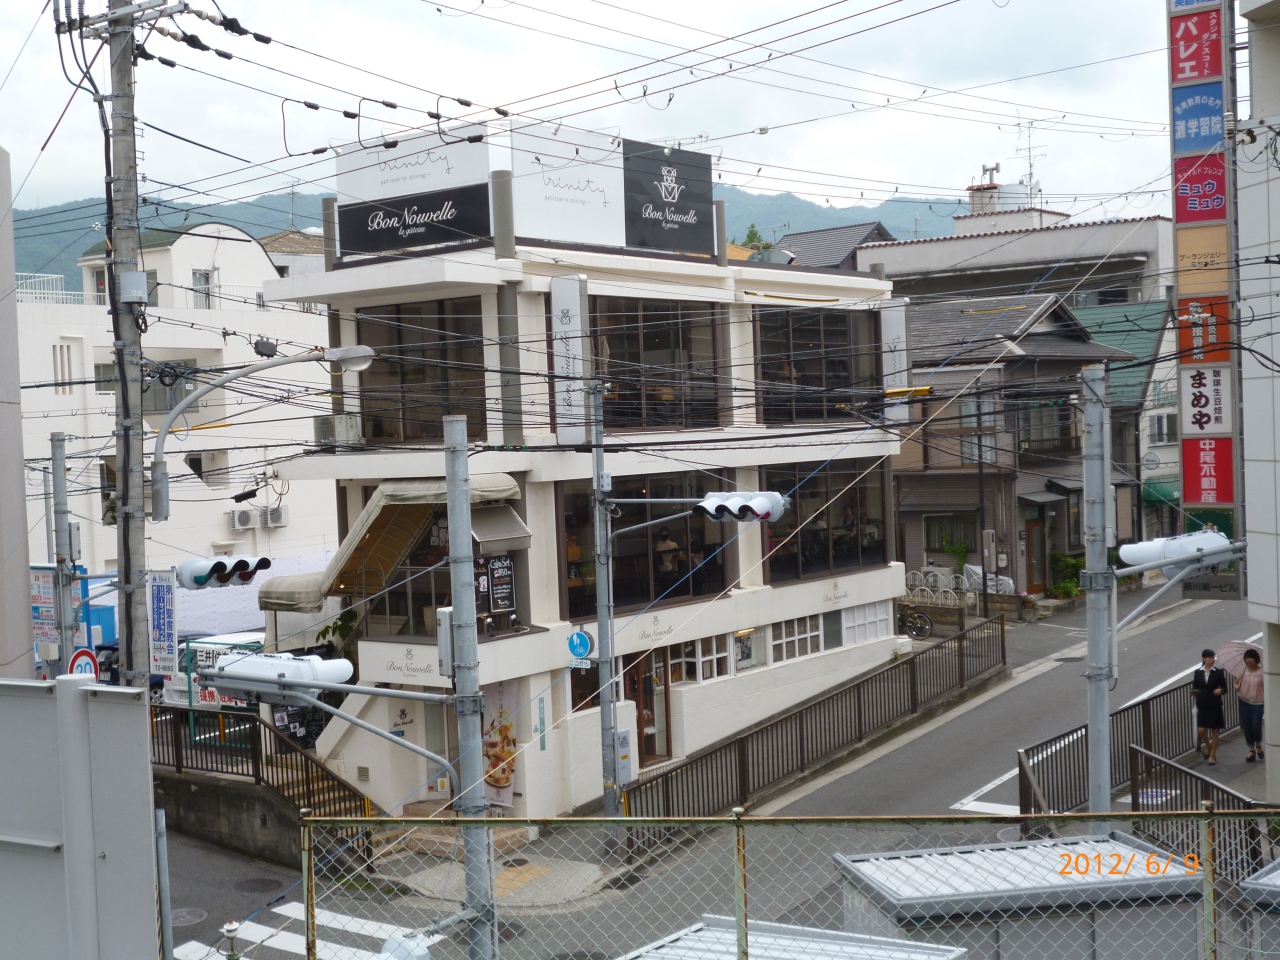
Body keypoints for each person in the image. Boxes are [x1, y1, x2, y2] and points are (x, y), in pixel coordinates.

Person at [1192, 649, 1228, 765]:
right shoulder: (1198, 672)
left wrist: (1220, 690)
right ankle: (1208, 746)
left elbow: (1225, 688)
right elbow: (1195, 687)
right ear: (1204, 659)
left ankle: (1213, 754)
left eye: (1213, 657)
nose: (1212, 660)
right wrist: (1194, 692)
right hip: (1202, 704)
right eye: (1209, 658)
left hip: (1215, 704)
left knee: (1215, 730)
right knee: (1201, 729)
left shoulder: (1218, 672)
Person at [1236, 649, 1265, 762]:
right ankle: (1251, 749)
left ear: (1256, 659)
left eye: (1250, 658)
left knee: (1255, 724)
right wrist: (1236, 687)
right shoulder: (1243, 670)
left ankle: (1258, 744)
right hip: (1244, 701)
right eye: (1246, 658)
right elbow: (1236, 682)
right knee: (1246, 725)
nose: (1248, 660)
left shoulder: (1262, 672)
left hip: (1258, 702)